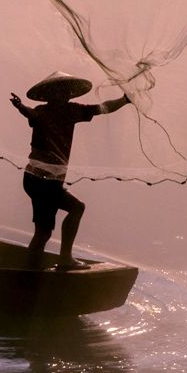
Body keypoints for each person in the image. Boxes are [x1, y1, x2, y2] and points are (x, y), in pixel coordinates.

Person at [9, 71, 130, 270]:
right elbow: (32, 114)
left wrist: (124, 100)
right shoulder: (43, 111)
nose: (64, 94)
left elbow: (102, 108)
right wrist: (21, 107)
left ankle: (30, 271)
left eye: (66, 91)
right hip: (41, 180)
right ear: (51, 94)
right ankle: (62, 260)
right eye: (60, 91)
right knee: (75, 208)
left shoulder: (72, 111)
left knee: (43, 232)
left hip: (43, 181)